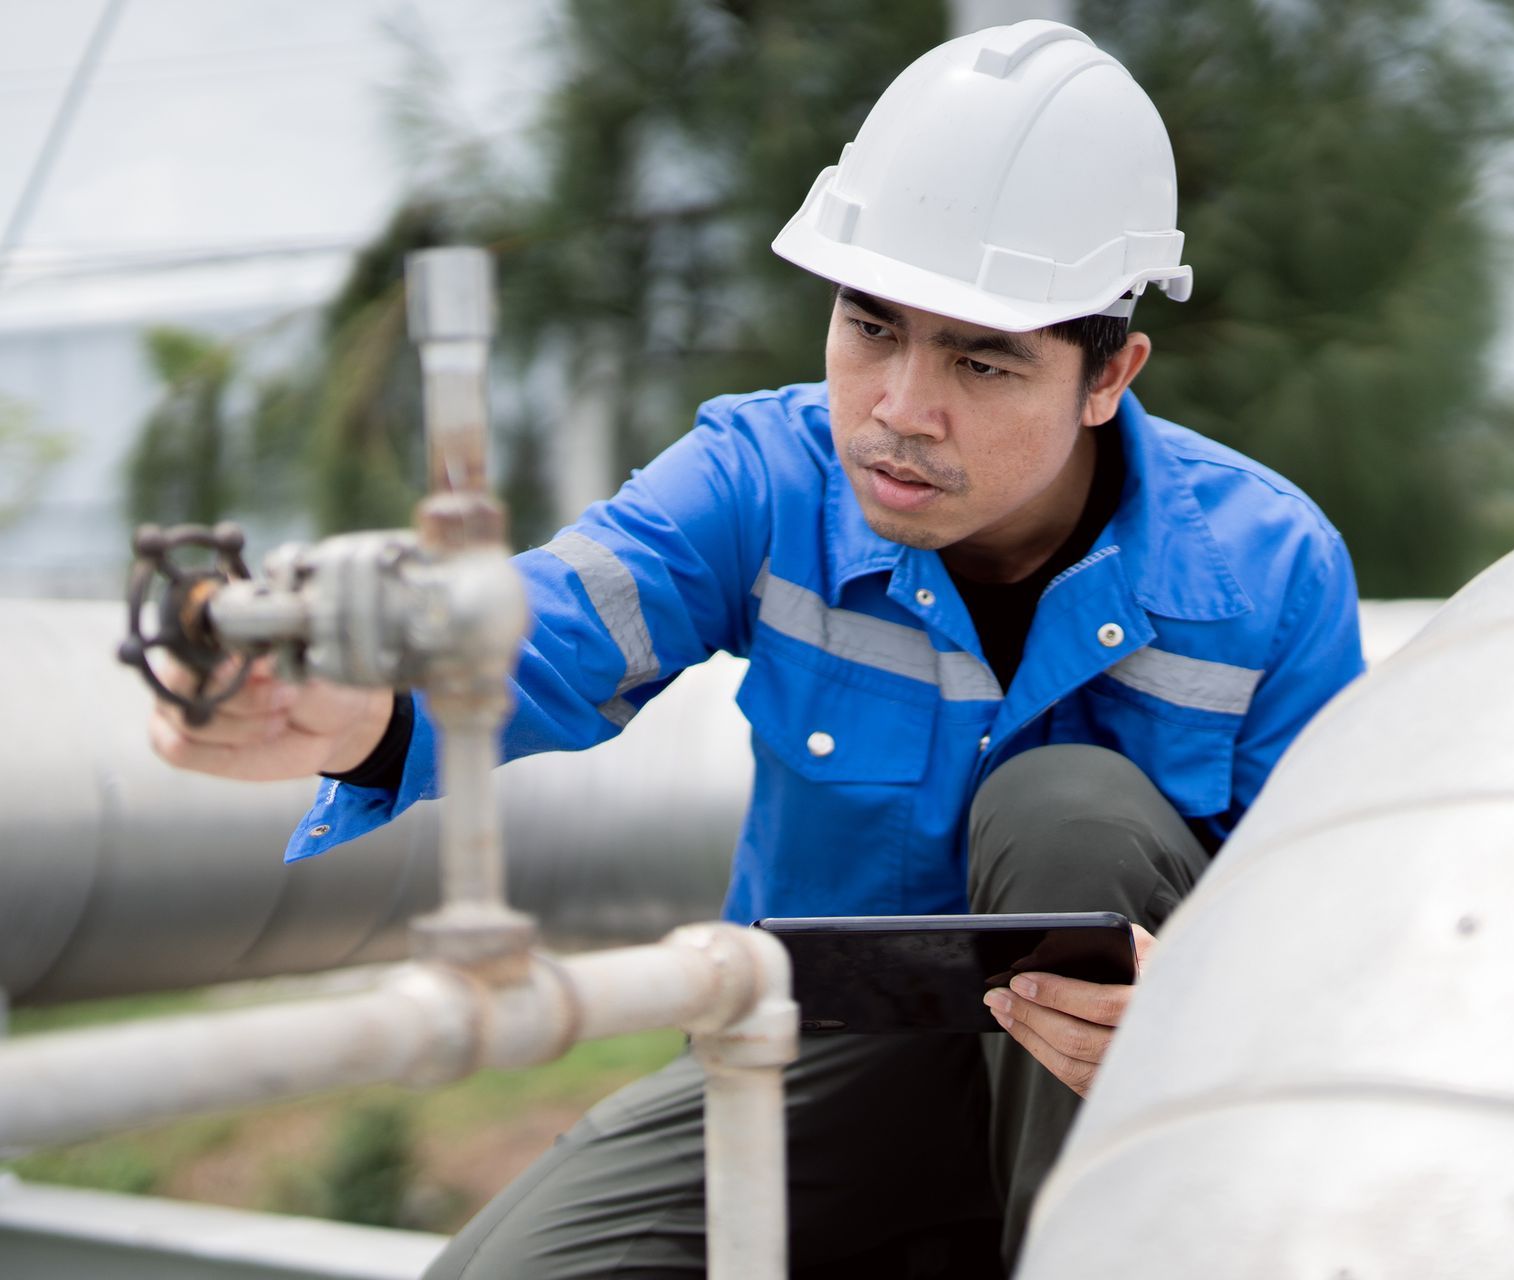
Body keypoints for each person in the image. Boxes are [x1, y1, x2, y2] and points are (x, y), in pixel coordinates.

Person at [149, 19, 1364, 1277]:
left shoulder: (1268, 572)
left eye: (982, 360)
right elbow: (534, 633)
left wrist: (1211, 1002)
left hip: (1113, 1091)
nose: (900, 409)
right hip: (816, 1044)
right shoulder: (763, 482)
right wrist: (346, 706)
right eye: (872, 326)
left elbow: (1344, 930)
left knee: (1070, 812)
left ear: (1109, 373)